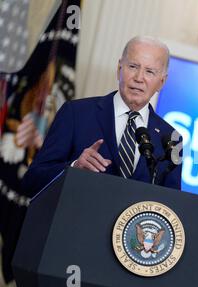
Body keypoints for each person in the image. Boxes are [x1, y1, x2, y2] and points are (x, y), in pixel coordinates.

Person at [22, 36, 182, 197]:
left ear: (162, 82)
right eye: (133, 66)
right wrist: (74, 167)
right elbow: (32, 181)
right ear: (119, 68)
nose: (139, 78)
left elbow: (173, 205)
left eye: (149, 71)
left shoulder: (172, 140)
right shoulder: (75, 113)